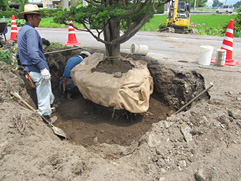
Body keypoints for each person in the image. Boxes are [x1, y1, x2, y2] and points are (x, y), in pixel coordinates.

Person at [17, 4, 56, 123]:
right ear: (30, 18)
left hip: (28, 67)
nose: (40, 19)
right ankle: (45, 116)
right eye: (37, 16)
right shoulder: (30, 32)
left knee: (46, 87)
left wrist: (21, 64)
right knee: (43, 86)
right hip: (34, 68)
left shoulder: (22, 30)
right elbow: (33, 53)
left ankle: (51, 105)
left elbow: (20, 52)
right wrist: (42, 68)